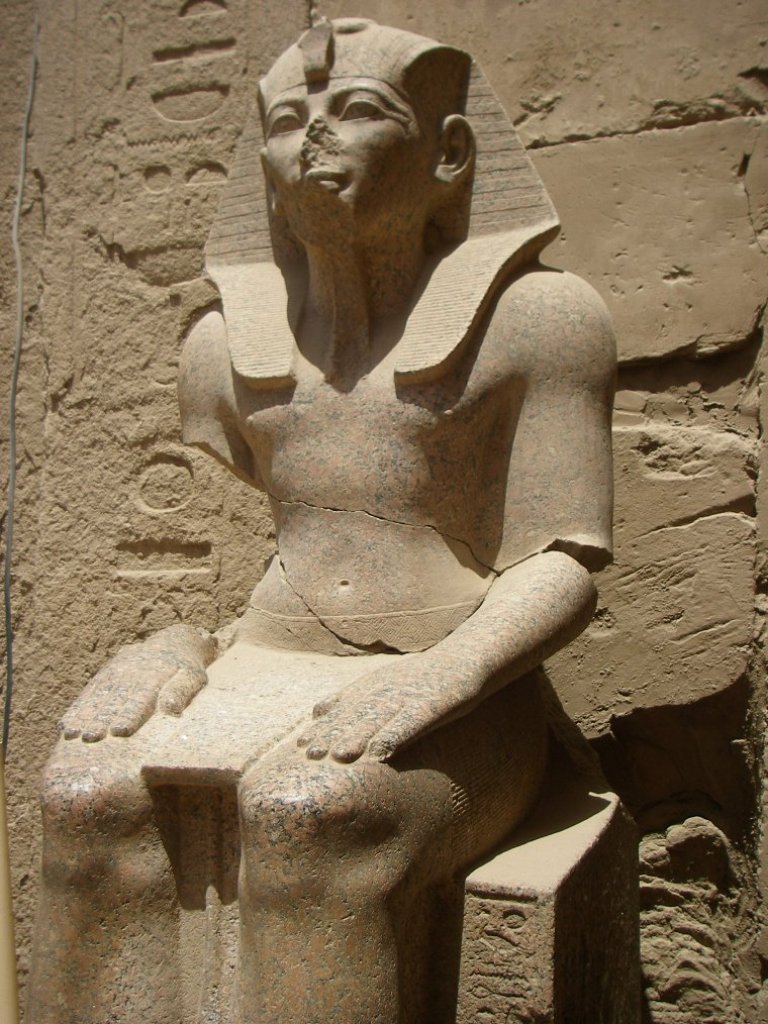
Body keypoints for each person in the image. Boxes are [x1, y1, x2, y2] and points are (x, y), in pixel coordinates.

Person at [28, 18, 615, 1024]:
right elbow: (276, 576)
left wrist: (444, 674)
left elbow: (561, 559)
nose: (311, 136)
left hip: (462, 678)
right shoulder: (221, 348)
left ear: (449, 154)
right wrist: (182, 646)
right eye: (286, 120)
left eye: (356, 111)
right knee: (84, 798)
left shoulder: (540, 320)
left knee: (311, 814)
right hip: (265, 659)